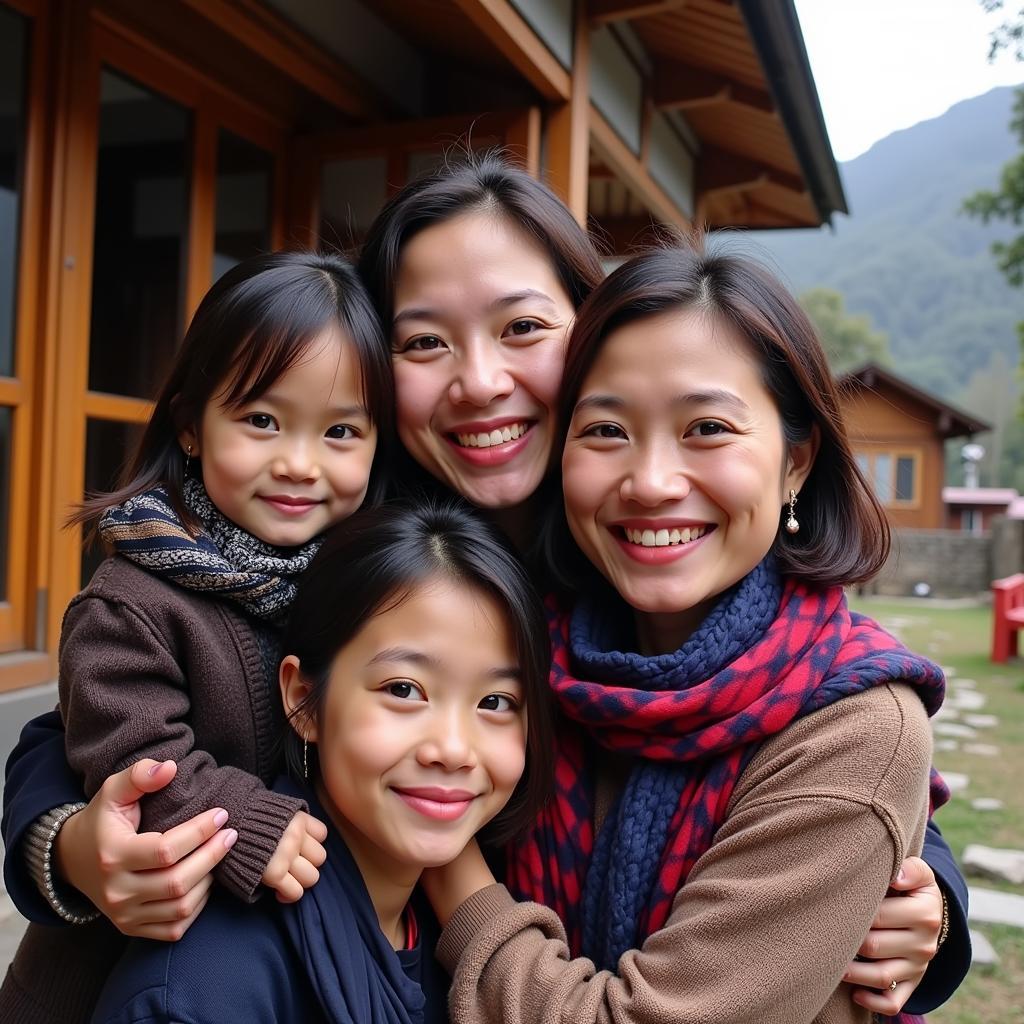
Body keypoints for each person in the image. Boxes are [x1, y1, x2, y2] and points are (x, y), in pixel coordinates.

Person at [2, 158, 966, 1016]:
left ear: (593, 331)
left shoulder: (641, 562)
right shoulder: (337, 527)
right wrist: (67, 847)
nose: (478, 380)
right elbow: (106, 699)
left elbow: (823, 733)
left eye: (524, 327)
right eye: (424, 343)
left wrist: (934, 897)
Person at [418, 244, 951, 1024]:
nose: (652, 482)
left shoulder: (854, 730)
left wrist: (448, 870)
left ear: (795, 462)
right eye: (605, 430)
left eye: (706, 427)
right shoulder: (517, 657)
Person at [0, 250, 392, 1023]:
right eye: (262, 420)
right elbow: (132, 756)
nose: (299, 463)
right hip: (117, 975)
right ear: (189, 426)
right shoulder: (133, 601)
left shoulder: (353, 579)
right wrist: (244, 818)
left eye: (340, 430)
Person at [88, 497, 555, 1024]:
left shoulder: (443, 932)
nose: (452, 749)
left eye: (495, 702)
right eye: (404, 689)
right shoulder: (205, 992)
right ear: (303, 700)